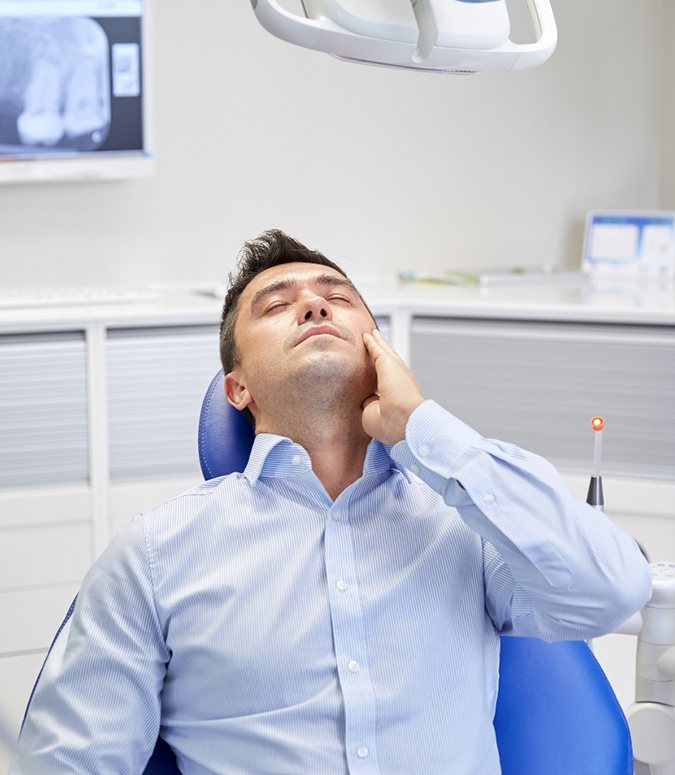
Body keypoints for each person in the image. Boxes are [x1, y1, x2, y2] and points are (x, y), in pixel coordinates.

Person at [13, 230, 651, 775]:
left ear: (380, 351)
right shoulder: (155, 555)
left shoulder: (465, 523)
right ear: (237, 388)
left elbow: (613, 591)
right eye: (276, 305)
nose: (315, 306)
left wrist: (425, 428)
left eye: (337, 298)